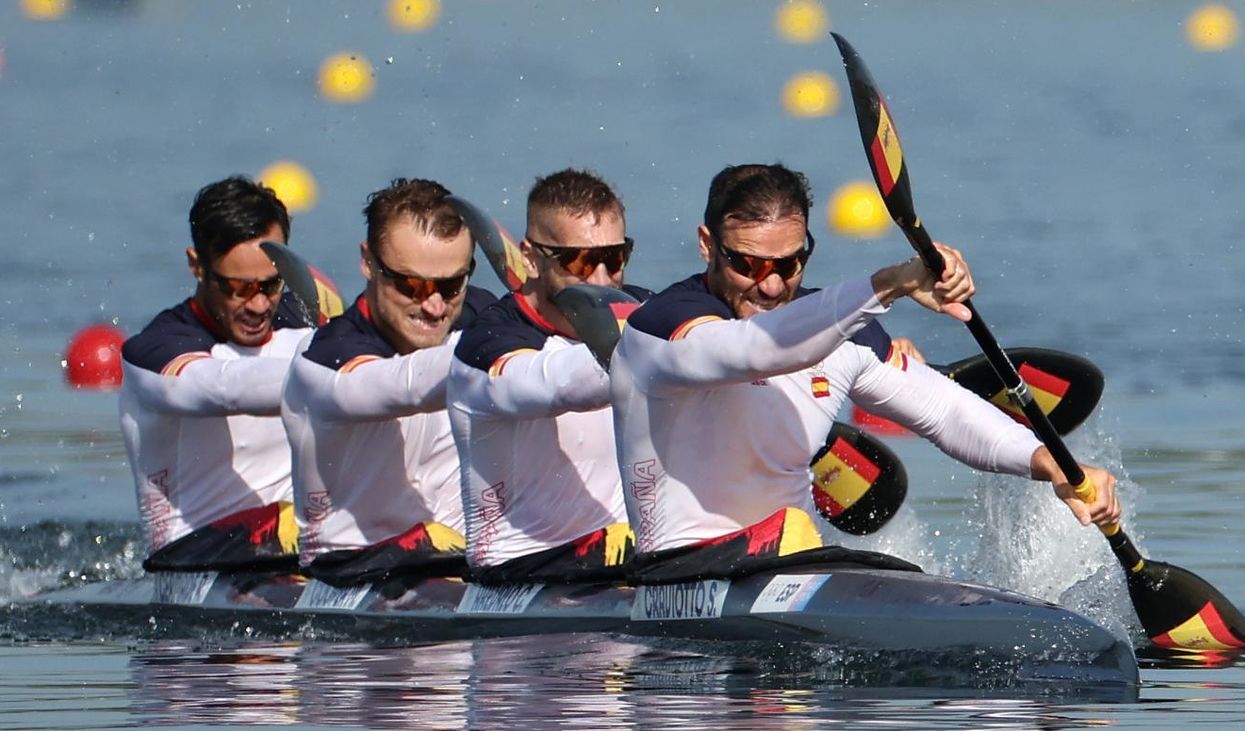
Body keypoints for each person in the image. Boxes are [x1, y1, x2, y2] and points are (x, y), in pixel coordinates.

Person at [610, 163, 1120, 581]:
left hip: (793, 563)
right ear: (707, 245)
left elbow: (945, 410)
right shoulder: (661, 329)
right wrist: (890, 284)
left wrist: (1050, 462)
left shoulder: (840, 334)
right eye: (748, 265)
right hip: (674, 575)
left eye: (788, 266)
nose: (769, 287)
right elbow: (756, 351)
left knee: (891, 571)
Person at [281, 178, 495, 586]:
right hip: (347, 576)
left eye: (451, 286)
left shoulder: (482, 319)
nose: (434, 306)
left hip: (458, 564)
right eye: (411, 286)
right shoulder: (324, 360)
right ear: (368, 261)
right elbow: (410, 384)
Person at [449, 168, 651, 584]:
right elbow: (555, 384)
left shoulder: (641, 311)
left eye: (613, 259)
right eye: (579, 261)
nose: (601, 280)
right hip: (517, 574)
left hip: (620, 558)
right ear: (530, 257)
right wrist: (658, 353)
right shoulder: (487, 344)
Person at [119, 176, 313, 573]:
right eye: (238, 288)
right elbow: (228, 388)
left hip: (291, 543)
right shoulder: (157, 351)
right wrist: (339, 375)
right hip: (188, 561)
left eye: (272, 283)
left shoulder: (304, 321)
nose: (259, 305)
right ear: (196, 266)